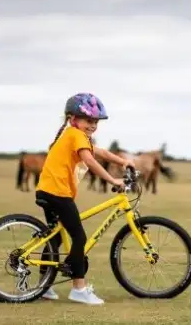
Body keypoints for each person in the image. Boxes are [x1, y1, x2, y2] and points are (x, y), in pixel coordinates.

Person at [36, 92, 131, 305]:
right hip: (57, 193)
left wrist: (123, 162)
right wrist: (112, 180)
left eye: (95, 122)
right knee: (79, 237)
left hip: (47, 190)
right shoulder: (75, 135)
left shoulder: (72, 134)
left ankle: (44, 285)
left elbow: (100, 152)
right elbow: (89, 159)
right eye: (89, 120)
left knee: (55, 238)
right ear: (73, 119)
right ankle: (79, 289)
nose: (93, 125)